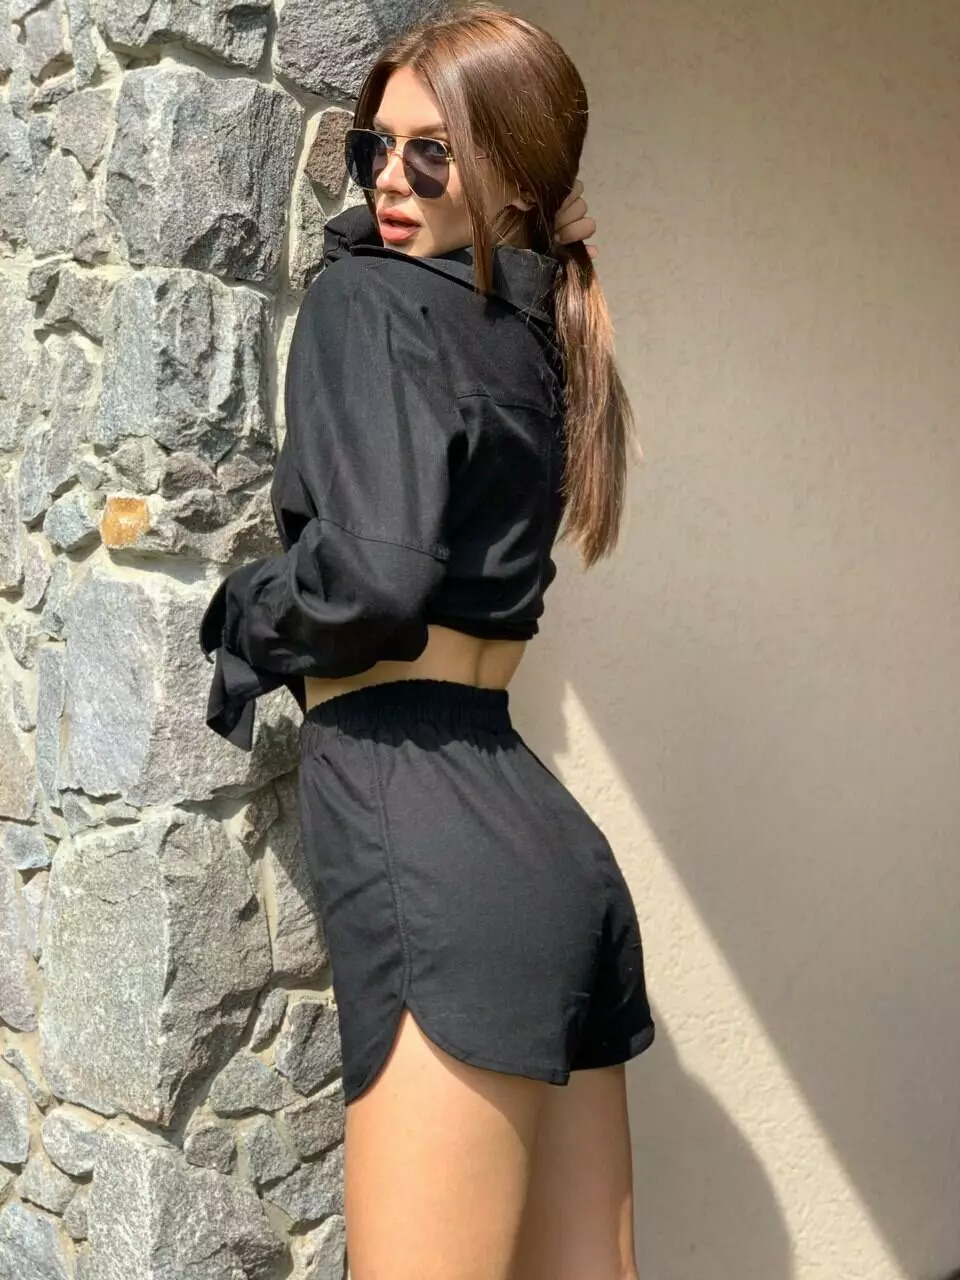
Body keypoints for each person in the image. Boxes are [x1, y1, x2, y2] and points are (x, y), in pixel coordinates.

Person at [199, 6, 654, 1278]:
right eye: (372, 151)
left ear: (516, 172)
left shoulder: (371, 304)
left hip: (427, 831)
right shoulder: (533, 329)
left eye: (430, 155)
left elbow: (374, 578)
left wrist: (245, 609)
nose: (389, 182)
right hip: (545, 841)